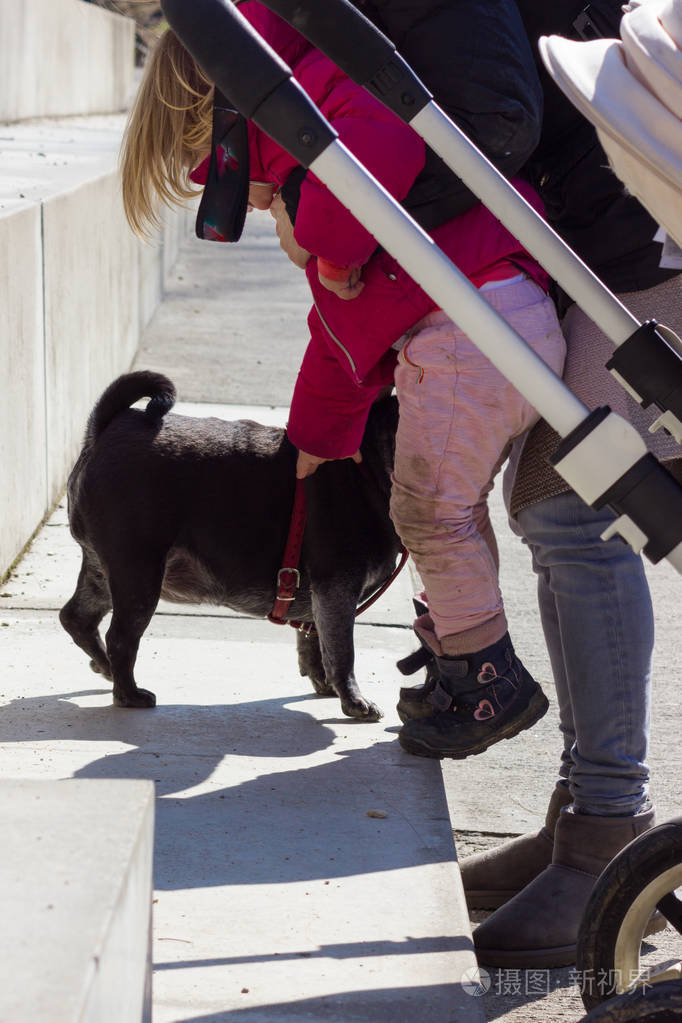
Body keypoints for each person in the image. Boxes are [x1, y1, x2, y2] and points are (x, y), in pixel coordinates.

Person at [120, 2, 566, 759]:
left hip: (477, 332)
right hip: (496, 321)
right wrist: (317, 439)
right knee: (449, 513)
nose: (250, 202)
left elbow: (384, 144)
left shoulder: (322, 103)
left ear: (236, 114)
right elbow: (339, 338)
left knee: (426, 513)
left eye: (225, 177)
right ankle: (460, 647)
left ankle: (486, 678)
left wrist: (322, 233)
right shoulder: (314, 101)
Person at [396, 0, 682, 969]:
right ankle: (582, 821)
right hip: (614, 233)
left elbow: (497, 119)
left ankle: (606, 827)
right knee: (550, 507)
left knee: (572, 509)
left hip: (647, 245)